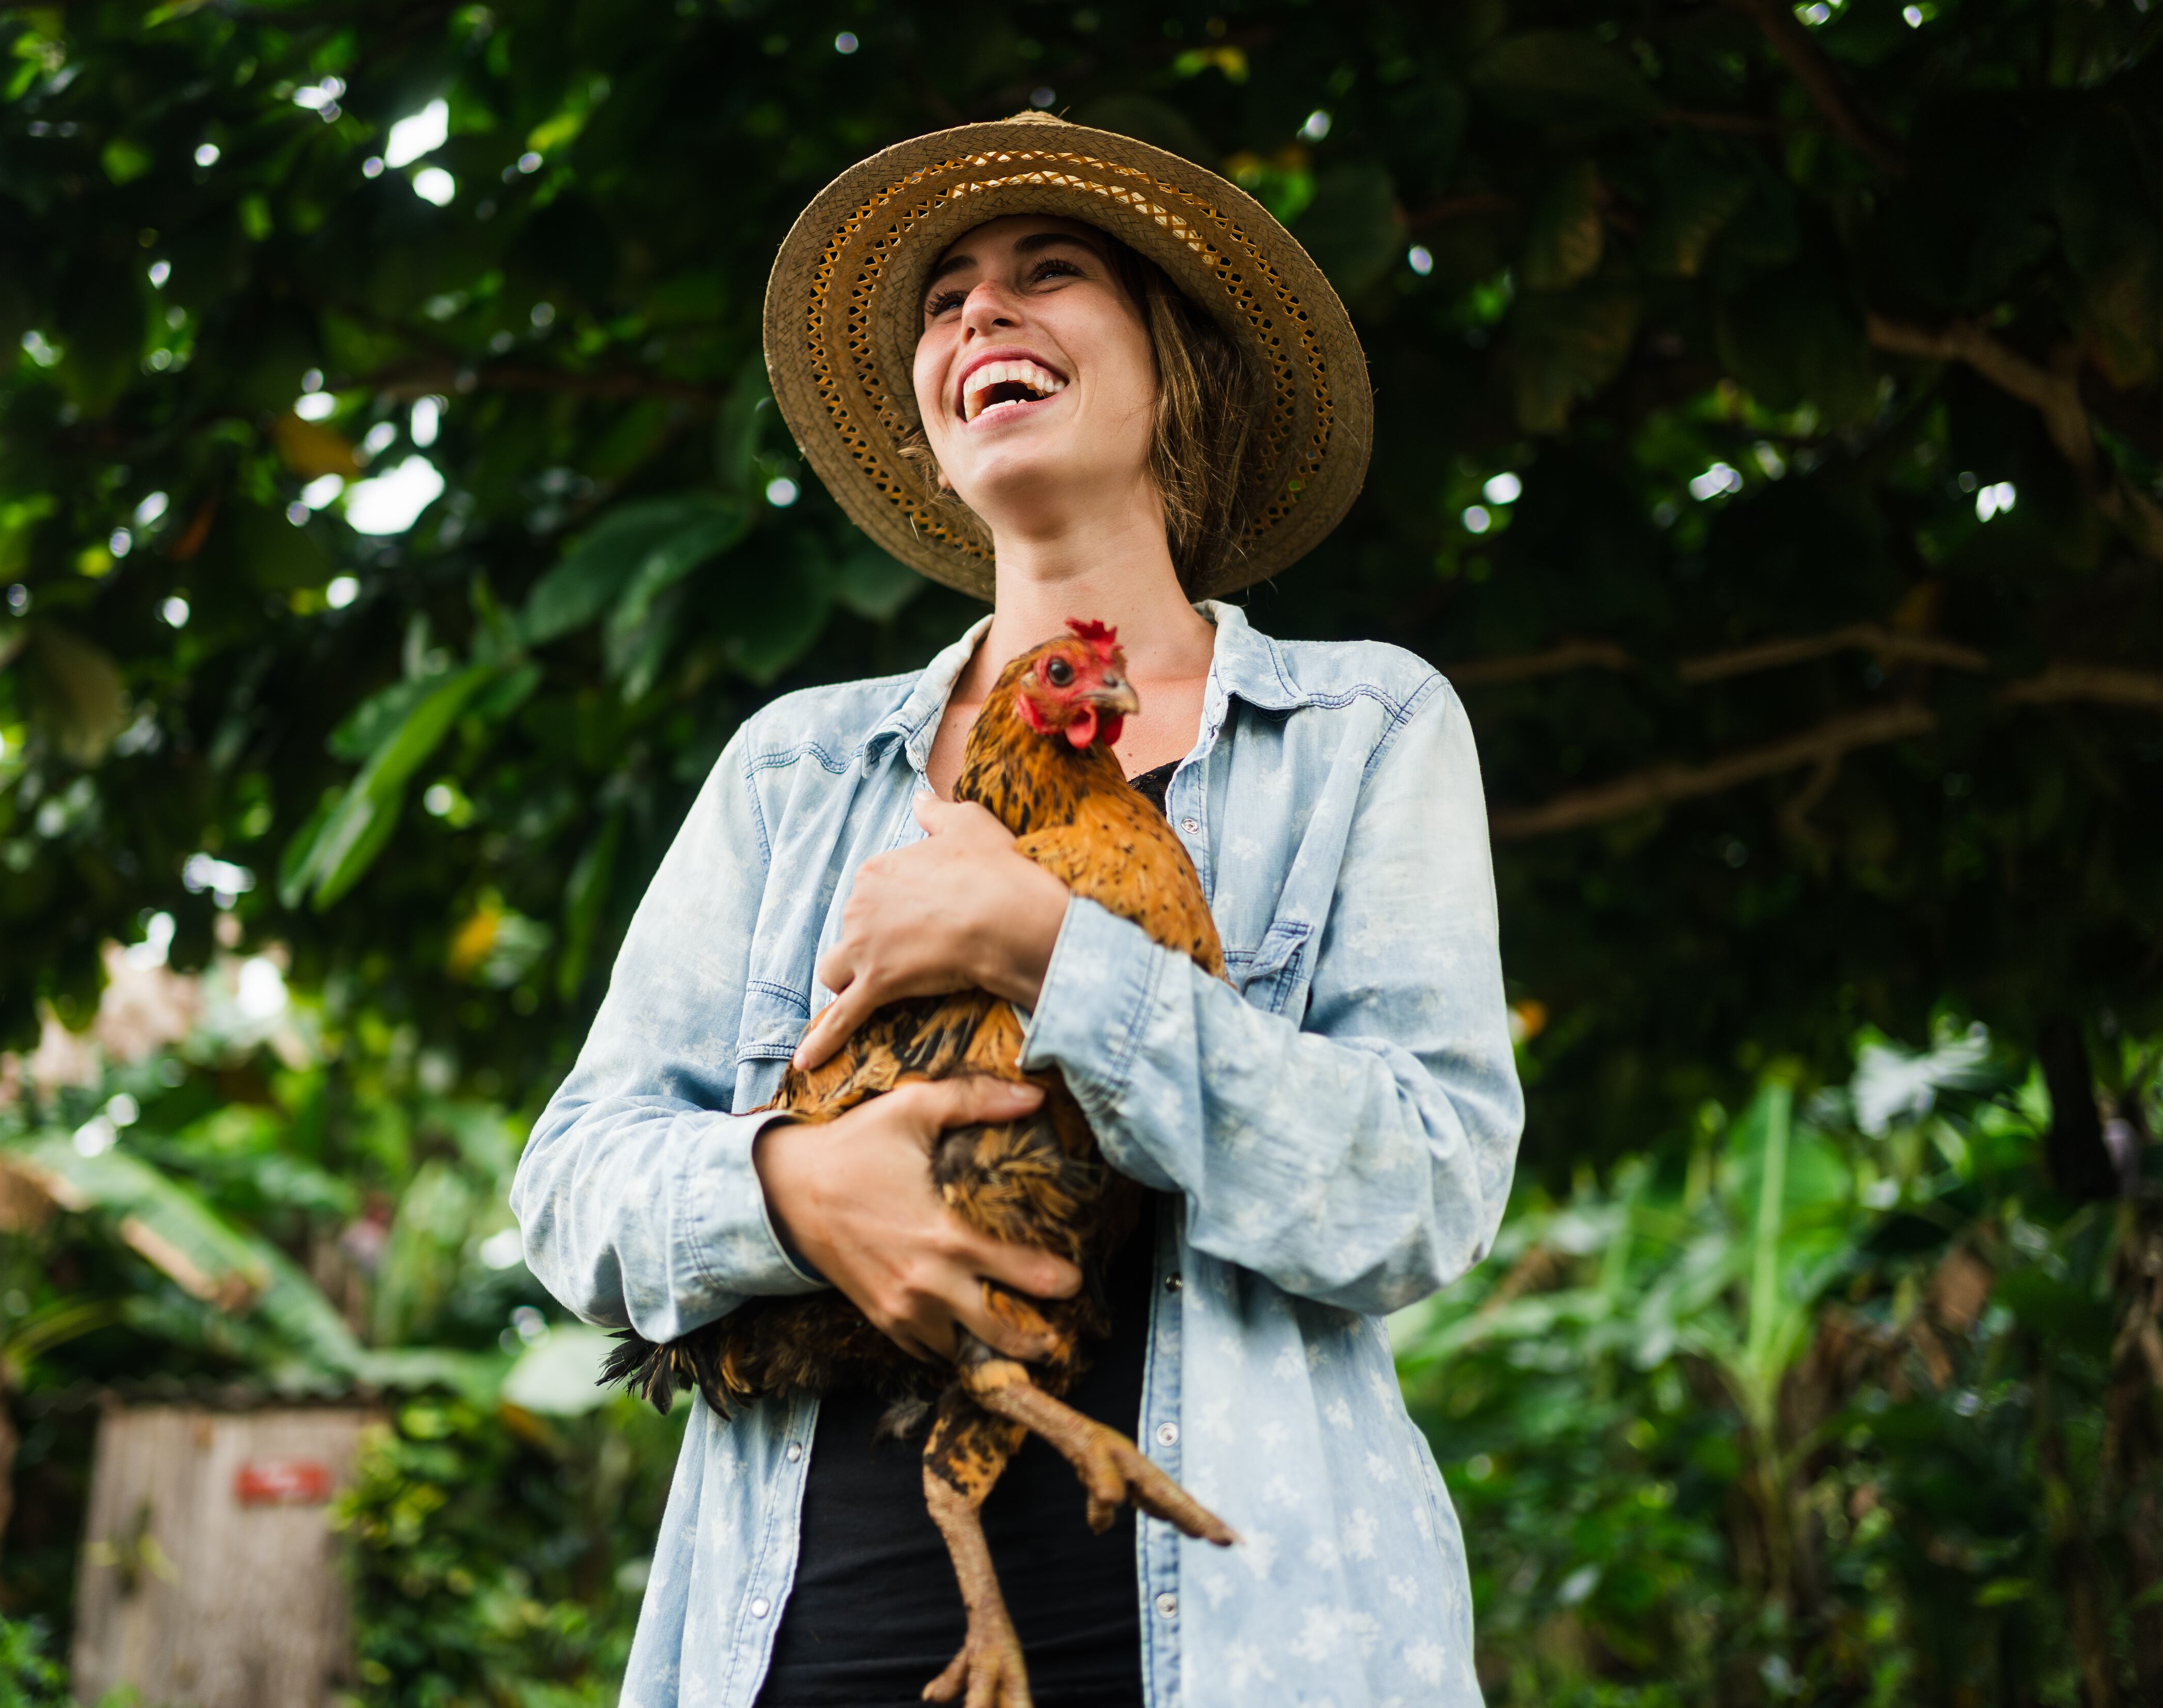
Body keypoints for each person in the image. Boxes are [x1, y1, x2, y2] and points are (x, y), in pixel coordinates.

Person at [515, 113, 1523, 1708]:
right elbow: (571, 1186)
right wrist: (789, 1186)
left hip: (1248, 1648)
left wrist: (1055, 956)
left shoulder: (1363, 735)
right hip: (812, 1636)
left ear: (1172, 369)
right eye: (944, 299)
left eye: (1047, 273)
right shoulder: (796, 768)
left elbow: (1422, 1190)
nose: (980, 313)